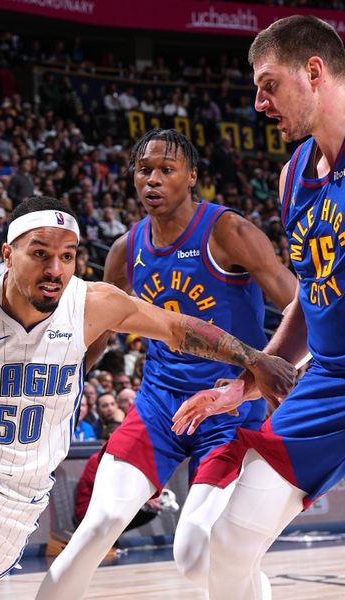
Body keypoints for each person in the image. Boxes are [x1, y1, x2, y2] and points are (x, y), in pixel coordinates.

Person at [0, 195, 295, 600]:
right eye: (40, 254)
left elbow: (177, 327)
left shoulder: (92, 303)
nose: (56, 269)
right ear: (8, 253)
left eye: (67, 256)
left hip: (20, 494)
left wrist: (253, 358)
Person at [37, 129, 297, 599]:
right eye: (144, 170)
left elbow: (297, 301)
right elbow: (101, 331)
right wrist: (66, 380)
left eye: (166, 169)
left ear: (192, 177)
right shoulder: (126, 248)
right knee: (100, 523)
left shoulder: (227, 231)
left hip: (227, 410)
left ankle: (254, 589)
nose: (153, 179)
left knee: (196, 554)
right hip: (158, 404)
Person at [171, 16, 345, 599]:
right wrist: (249, 380)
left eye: (269, 84)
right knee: (229, 539)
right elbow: (310, 294)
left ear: (313, 72)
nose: (258, 101)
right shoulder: (293, 177)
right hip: (327, 381)